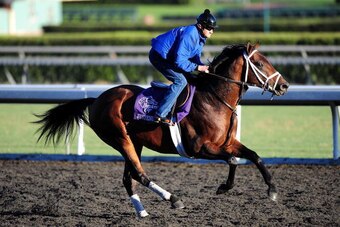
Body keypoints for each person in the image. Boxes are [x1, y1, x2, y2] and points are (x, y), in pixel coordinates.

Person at [149, 9, 217, 125]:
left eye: (213, 29)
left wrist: (202, 67)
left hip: (171, 58)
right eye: (209, 28)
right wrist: (198, 68)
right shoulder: (190, 34)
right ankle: (160, 113)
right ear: (200, 26)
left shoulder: (201, 37)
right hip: (159, 56)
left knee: (192, 78)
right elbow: (179, 61)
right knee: (180, 81)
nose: (212, 31)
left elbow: (194, 58)